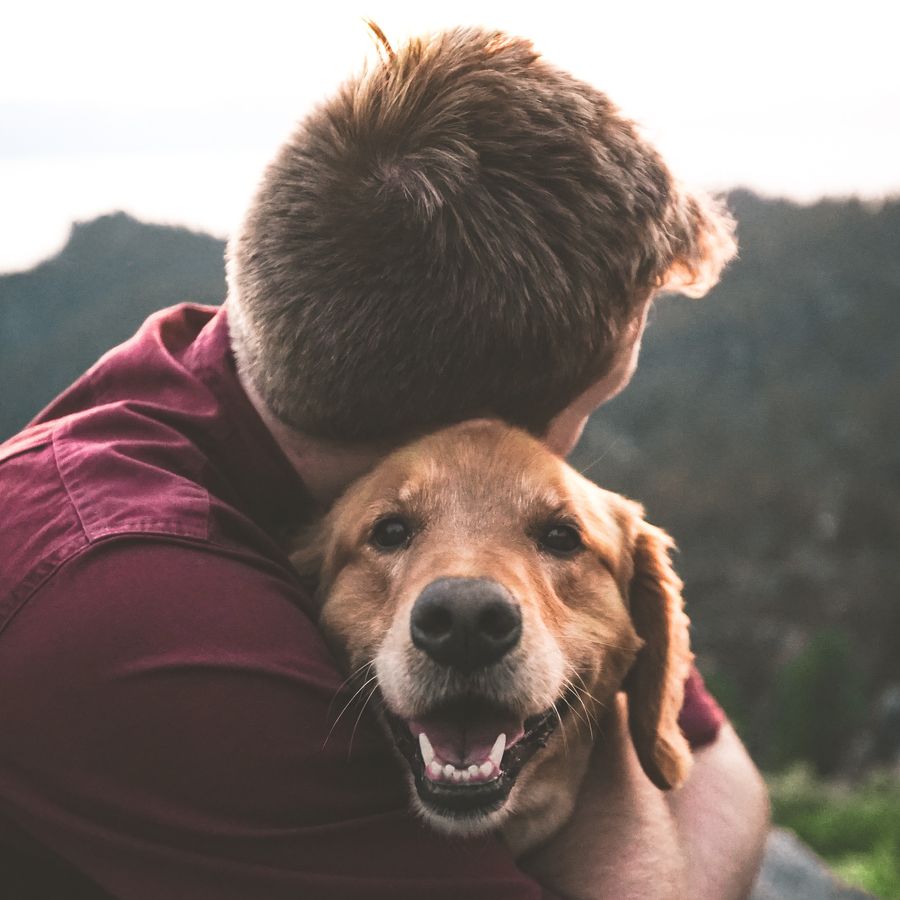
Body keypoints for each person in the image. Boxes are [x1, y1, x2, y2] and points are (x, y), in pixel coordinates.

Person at [0, 26, 769, 900]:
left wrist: (598, 709)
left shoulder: (268, 365)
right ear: (473, 426)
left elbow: (720, 768)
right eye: (590, 408)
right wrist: (600, 753)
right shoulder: (136, 609)